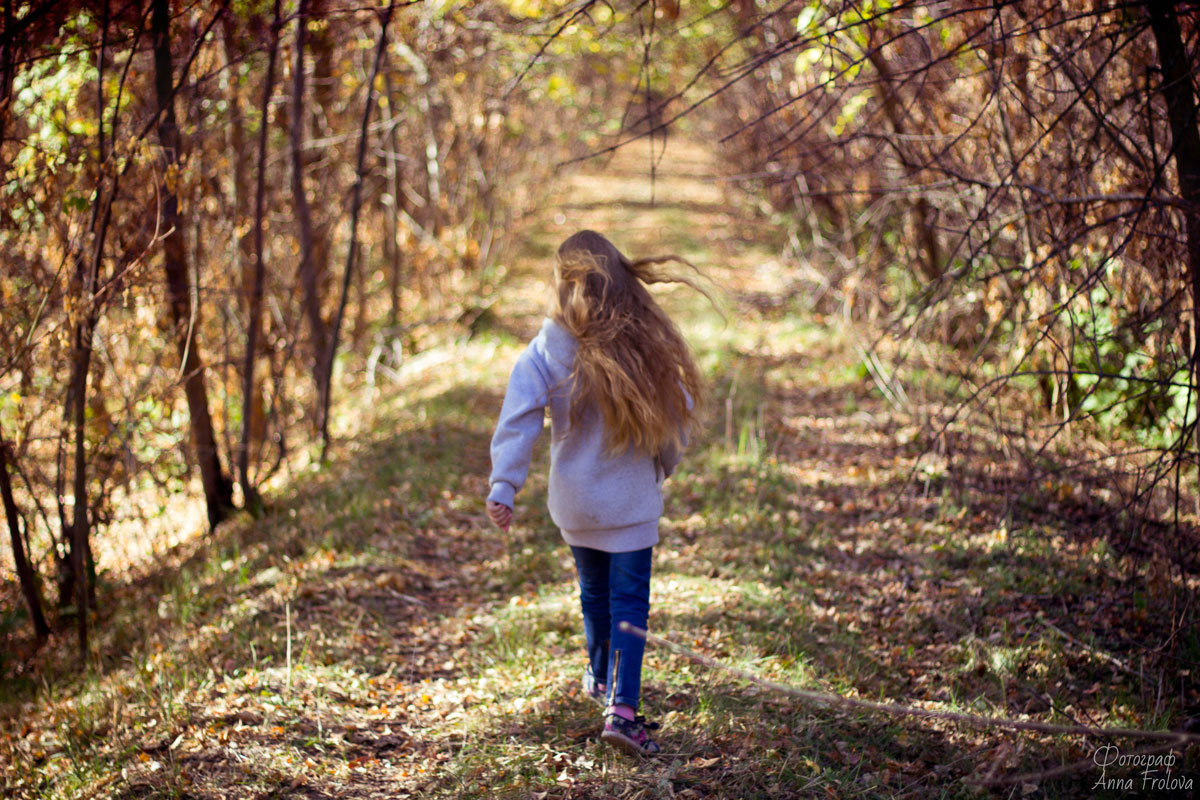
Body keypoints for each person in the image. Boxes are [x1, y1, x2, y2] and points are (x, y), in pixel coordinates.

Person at [485, 229, 707, 755]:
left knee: (594, 595)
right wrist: (663, 466)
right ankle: (623, 714)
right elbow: (679, 416)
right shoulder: (644, 349)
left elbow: (518, 418)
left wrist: (505, 483)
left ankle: (602, 678)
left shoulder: (544, 352)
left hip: (576, 504)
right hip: (628, 503)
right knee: (629, 603)